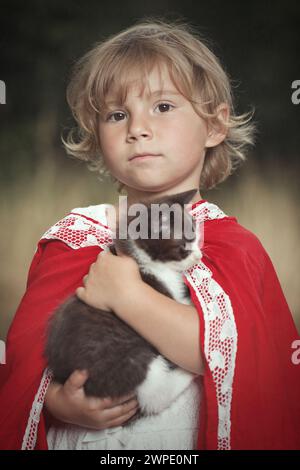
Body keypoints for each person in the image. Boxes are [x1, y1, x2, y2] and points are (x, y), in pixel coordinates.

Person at [0, 18, 299, 451]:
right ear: (98, 137)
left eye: (162, 107)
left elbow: (221, 356)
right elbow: (28, 360)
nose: (137, 128)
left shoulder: (234, 246)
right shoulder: (76, 236)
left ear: (214, 126)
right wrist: (54, 401)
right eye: (117, 115)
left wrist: (127, 295)